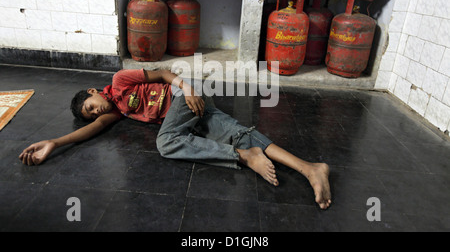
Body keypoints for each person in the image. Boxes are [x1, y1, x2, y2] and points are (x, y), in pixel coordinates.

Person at [19, 69, 331, 210]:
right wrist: (56, 142)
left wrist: (188, 87)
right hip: (188, 115)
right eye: (91, 114)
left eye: (90, 106)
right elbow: (90, 130)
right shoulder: (116, 113)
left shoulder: (118, 82)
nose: (95, 111)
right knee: (240, 133)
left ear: (92, 92)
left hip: (185, 95)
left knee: (166, 142)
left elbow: (163, 74)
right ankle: (310, 168)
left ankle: (244, 157)